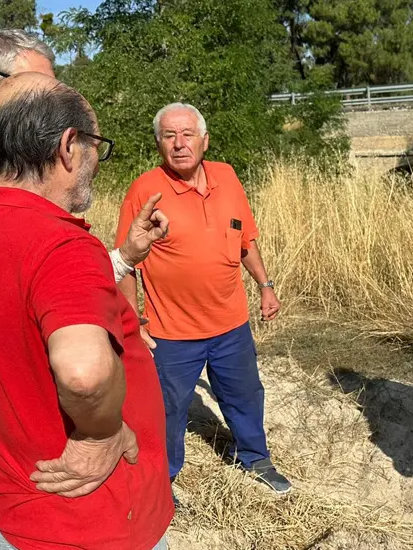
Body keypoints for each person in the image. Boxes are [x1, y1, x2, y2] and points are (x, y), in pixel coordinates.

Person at [0, 73, 173, 549]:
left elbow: (29, 301)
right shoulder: (61, 243)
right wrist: (100, 433)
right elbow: (84, 372)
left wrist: (124, 256)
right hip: (90, 520)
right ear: (68, 147)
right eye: (95, 146)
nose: (95, 163)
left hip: (12, 502)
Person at [0, 29, 148, 356]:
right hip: (3, 341)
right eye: (36, 82)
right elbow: (0, 266)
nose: (52, 96)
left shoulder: (7, 145)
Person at [114, 103, 291, 495]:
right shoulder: (146, 191)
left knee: (245, 395)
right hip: (171, 333)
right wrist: (133, 321)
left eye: (187, 134)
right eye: (169, 136)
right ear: (159, 144)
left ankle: (256, 458)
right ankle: (162, 480)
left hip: (231, 325)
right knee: (168, 411)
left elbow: (245, 239)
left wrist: (265, 285)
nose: (179, 144)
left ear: (204, 140)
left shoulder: (227, 177)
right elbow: (127, 260)